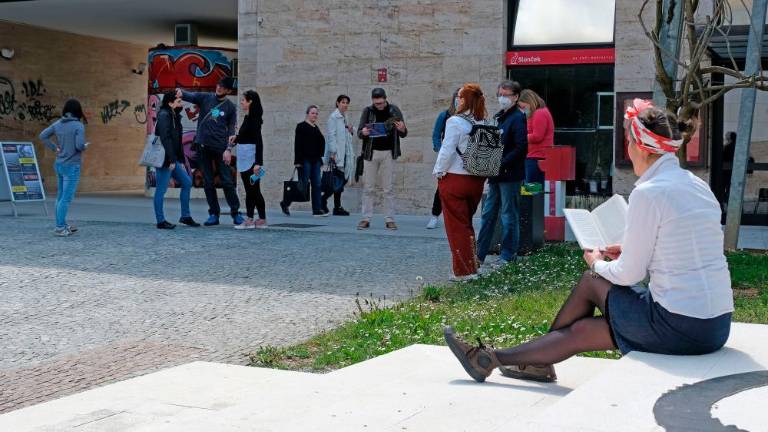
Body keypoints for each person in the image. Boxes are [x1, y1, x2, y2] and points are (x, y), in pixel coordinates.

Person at [444, 99, 733, 383]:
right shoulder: (698, 186)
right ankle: (499, 360)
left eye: (629, 144)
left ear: (642, 148)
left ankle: (521, 362)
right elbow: (686, 249)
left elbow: (629, 274)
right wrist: (628, 250)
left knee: (591, 280)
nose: (628, 151)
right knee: (582, 330)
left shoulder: (651, 193)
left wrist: (597, 262)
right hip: (715, 327)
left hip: (677, 324)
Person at [433, 83, 490, 282]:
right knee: (466, 225)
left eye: (460, 96)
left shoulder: (455, 122)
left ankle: (463, 271)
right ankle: (473, 265)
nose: (457, 99)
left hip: (455, 178)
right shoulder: (482, 121)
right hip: (476, 180)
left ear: (465, 100)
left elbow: (447, 150)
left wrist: (438, 171)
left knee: (456, 227)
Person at [176, 77, 242, 226]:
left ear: (228, 91)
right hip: (203, 147)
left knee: (227, 181)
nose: (219, 87)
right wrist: (180, 92)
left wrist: (228, 149)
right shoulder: (205, 97)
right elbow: (191, 96)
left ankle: (236, 213)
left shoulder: (230, 107)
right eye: (218, 84)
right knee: (208, 182)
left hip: (220, 148)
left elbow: (232, 131)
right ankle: (213, 214)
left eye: (223, 87)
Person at [476, 80, 527, 268]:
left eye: (506, 95)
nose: (502, 98)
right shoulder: (500, 116)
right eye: (500, 94)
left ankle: (508, 255)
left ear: (515, 97)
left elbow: (521, 147)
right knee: (488, 213)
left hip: (510, 175)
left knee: (508, 215)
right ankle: (479, 255)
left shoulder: (518, 118)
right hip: (495, 174)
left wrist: (501, 163)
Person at [357, 88, 408, 230]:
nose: (378, 105)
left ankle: (389, 219)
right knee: (368, 187)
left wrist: (402, 128)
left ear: (385, 99)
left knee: (388, 188)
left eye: (380, 103)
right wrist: (364, 132)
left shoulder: (394, 110)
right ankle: (366, 218)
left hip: (388, 153)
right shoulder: (368, 111)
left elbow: (404, 133)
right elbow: (360, 132)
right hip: (371, 153)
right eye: (376, 103)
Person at [39, 99, 89, 237]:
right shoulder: (78, 125)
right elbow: (79, 146)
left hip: (59, 164)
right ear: (77, 111)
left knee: (60, 197)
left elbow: (42, 136)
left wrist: (55, 148)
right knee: (66, 199)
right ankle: (60, 227)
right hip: (72, 166)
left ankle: (61, 224)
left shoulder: (58, 123)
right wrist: (84, 146)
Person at [153, 91, 199, 229]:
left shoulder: (174, 115)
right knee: (161, 190)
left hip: (173, 159)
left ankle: (185, 216)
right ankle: (161, 221)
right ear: (170, 103)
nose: (181, 103)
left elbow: (177, 141)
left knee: (186, 182)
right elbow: (165, 139)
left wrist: (180, 160)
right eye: (178, 101)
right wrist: (171, 160)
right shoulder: (164, 116)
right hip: (165, 159)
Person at [281, 105, 326, 216]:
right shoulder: (301, 126)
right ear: (307, 114)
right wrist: (297, 161)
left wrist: (321, 158)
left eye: (316, 113)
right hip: (305, 160)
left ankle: (317, 209)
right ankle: (285, 203)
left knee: (317, 184)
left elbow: (321, 143)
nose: (315, 115)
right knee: (303, 186)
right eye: (312, 113)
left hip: (316, 161)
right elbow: (298, 144)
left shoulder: (316, 127)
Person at [234, 89, 267, 229]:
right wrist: (236, 138)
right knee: (253, 190)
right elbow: (245, 136)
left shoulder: (254, 119)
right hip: (244, 158)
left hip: (251, 160)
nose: (241, 102)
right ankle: (260, 219)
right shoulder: (248, 117)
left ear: (250, 102)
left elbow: (258, 141)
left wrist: (258, 163)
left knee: (252, 190)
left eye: (243, 100)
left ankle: (251, 219)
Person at [427, 88, 460, 230]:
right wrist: (440, 150)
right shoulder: (445, 115)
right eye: (458, 97)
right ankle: (434, 216)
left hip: (462, 158)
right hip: (447, 157)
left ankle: (457, 219)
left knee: (460, 188)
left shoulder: (472, 116)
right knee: (441, 188)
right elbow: (436, 135)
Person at [322, 95, 355, 216]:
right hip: (337, 154)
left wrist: (350, 131)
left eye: (347, 103)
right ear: (337, 103)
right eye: (343, 102)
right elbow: (331, 136)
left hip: (346, 152)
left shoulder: (344, 117)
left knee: (342, 180)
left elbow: (345, 136)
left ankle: (333, 205)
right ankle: (328, 202)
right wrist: (333, 153)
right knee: (337, 181)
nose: (345, 105)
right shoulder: (333, 117)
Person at [518, 89, 554, 184]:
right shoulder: (538, 112)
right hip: (534, 157)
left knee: (531, 191)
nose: (523, 109)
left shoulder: (539, 113)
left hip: (536, 158)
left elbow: (537, 136)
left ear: (530, 102)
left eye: (523, 106)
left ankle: (533, 199)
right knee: (530, 190)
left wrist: (520, 138)